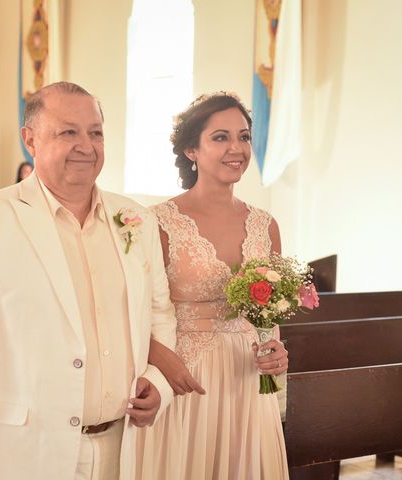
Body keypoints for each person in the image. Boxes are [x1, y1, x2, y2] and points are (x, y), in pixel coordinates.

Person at [0, 81, 177, 480]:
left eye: (95, 132)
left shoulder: (136, 219)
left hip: (123, 448)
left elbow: (161, 316)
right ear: (30, 140)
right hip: (25, 452)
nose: (86, 146)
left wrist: (159, 383)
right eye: (67, 132)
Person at [136, 92, 290, 479]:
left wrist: (276, 350)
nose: (236, 148)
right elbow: (134, 312)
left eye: (243, 137)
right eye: (220, 137)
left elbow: (269, 315)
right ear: (191, 149)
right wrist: (159, 358)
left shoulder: (265, 224)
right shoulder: (157, 222)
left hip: (247, 381)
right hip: (184, 376)